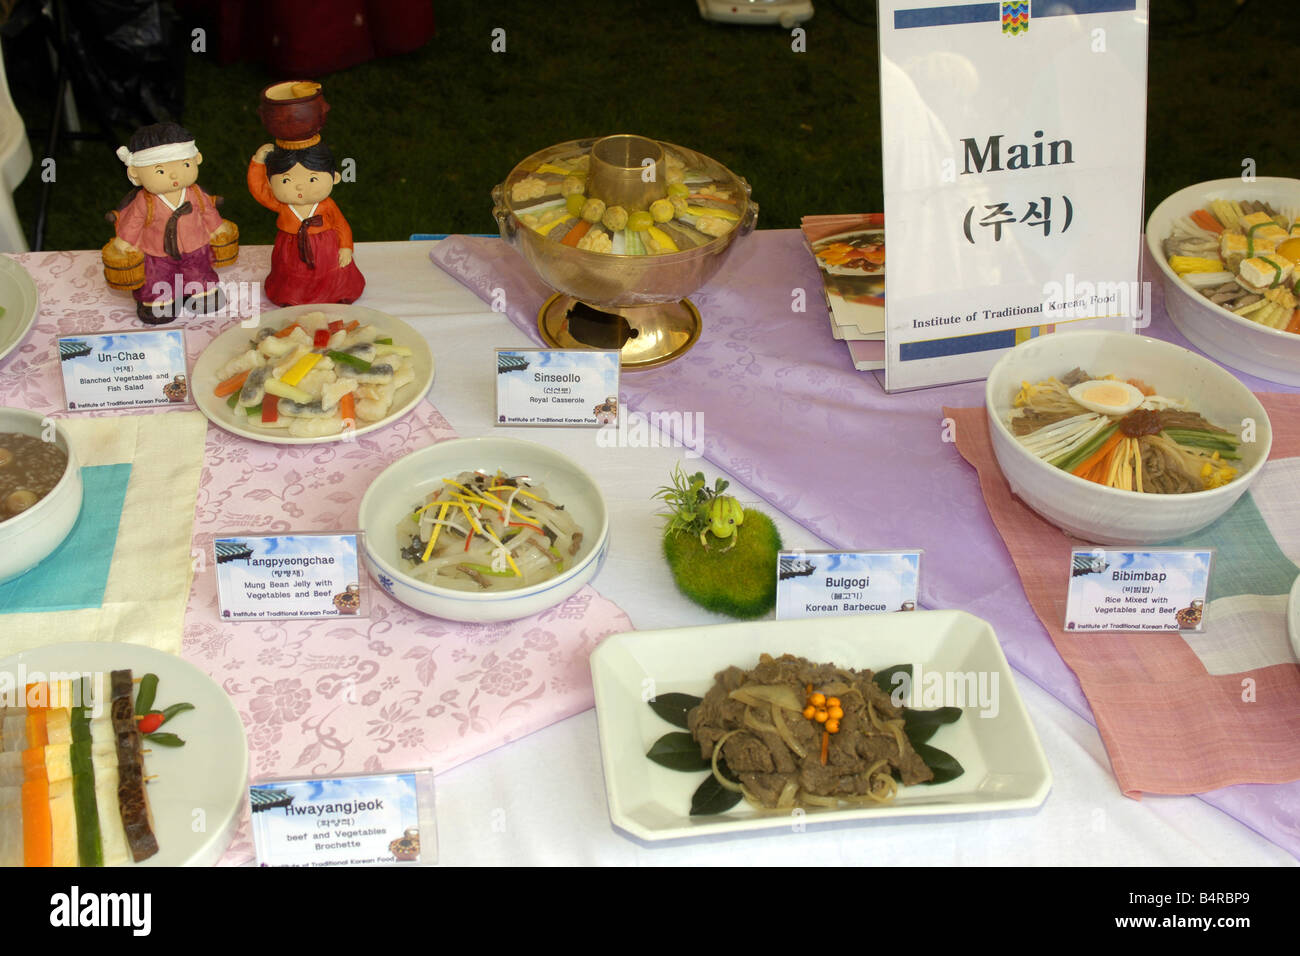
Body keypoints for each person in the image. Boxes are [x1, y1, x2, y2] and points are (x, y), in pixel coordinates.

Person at [112, 123, 227, 324]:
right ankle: (160, 301)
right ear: (136, 173)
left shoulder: (196, 194)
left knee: (198, 272)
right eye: (160, 171)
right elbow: (133, 223)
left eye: (185, 165)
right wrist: (124, 242)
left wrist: (217, 228)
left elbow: (208, 211)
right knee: (158, 277)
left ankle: (200, 294)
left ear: (196, 159)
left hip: (195, 247)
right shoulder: (145, 200)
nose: (174, 176)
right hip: (158, 253)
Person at [247, 141, 365, 306]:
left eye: (312, 179)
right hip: (291, 248)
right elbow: (259, 190)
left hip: (326, 249)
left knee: (333, 274)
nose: (300, 186)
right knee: (291, 274)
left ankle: (336, 295)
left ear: (335, 178)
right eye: (286, 181)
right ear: (270, 183)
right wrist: (258, 162)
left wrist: (346, 247)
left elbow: (341, 225)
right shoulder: (282, 204)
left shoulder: (327, 205)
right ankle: (291, 298)